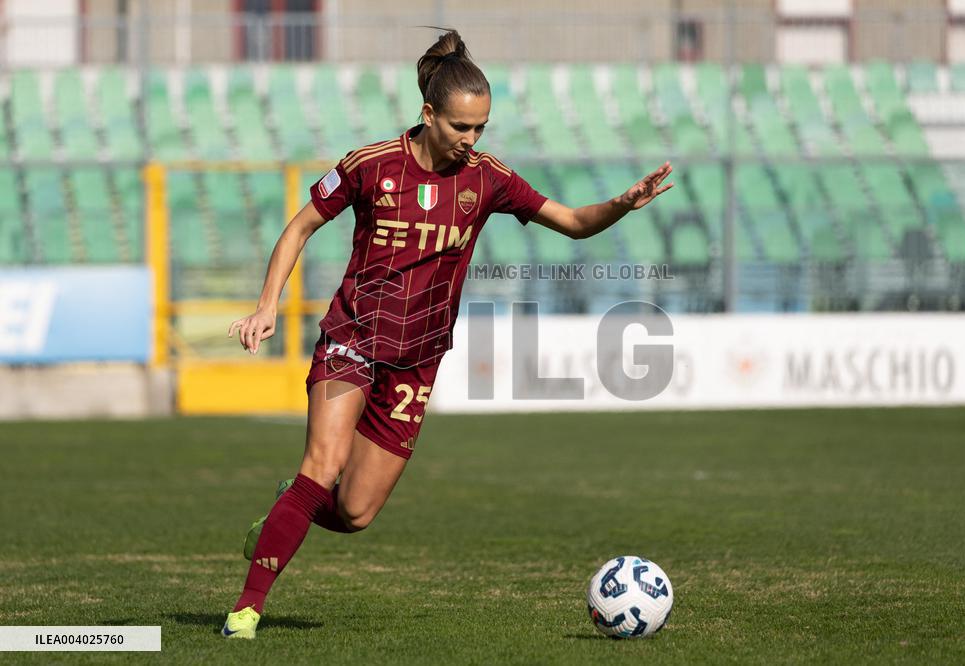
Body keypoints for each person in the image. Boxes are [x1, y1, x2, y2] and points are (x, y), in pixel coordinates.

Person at [221, 29, 673, 639]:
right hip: (351, 340)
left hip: (418, 360)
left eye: (481, 127)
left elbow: (568, 221)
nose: (471, 140)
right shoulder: (370, 165)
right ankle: (245, 612)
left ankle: (288, 505)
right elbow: (300, 227)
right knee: (322, 465)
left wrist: (622, 203)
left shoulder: (487, 179)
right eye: (461, 127)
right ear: (428, 114)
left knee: (354, 512)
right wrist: (267, 305)